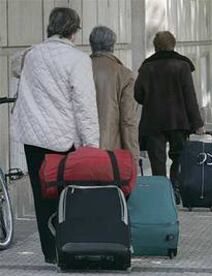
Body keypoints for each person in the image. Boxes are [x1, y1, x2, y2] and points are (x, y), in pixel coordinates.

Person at [11, 7, 99, 264]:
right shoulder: (78, 59)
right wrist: (92, 145)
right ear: (74, 31)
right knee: (69, 193)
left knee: (41, 195)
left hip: (34, 138)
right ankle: (70, 245)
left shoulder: (32, 55)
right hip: (64, 140)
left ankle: (51, 252)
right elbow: (84, 106)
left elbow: (16, 64)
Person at [134, 31, 204, 204]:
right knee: (179, 157)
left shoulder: (146, 67)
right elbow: (190, 96)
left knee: (157, 160)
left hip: (153, 121)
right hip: (178, 121)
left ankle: (160, 194)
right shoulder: (182, 65)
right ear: (174, 44)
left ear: (155, 46)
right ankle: (175, 188)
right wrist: (197, 123)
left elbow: (138, 95)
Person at [89, 26, 139, 160]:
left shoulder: (79, 68)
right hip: (111, 151)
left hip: (81, 150)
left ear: (91, 45)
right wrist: (132, 157)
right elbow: (128, 120)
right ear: (112, 46)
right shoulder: (123, 74)